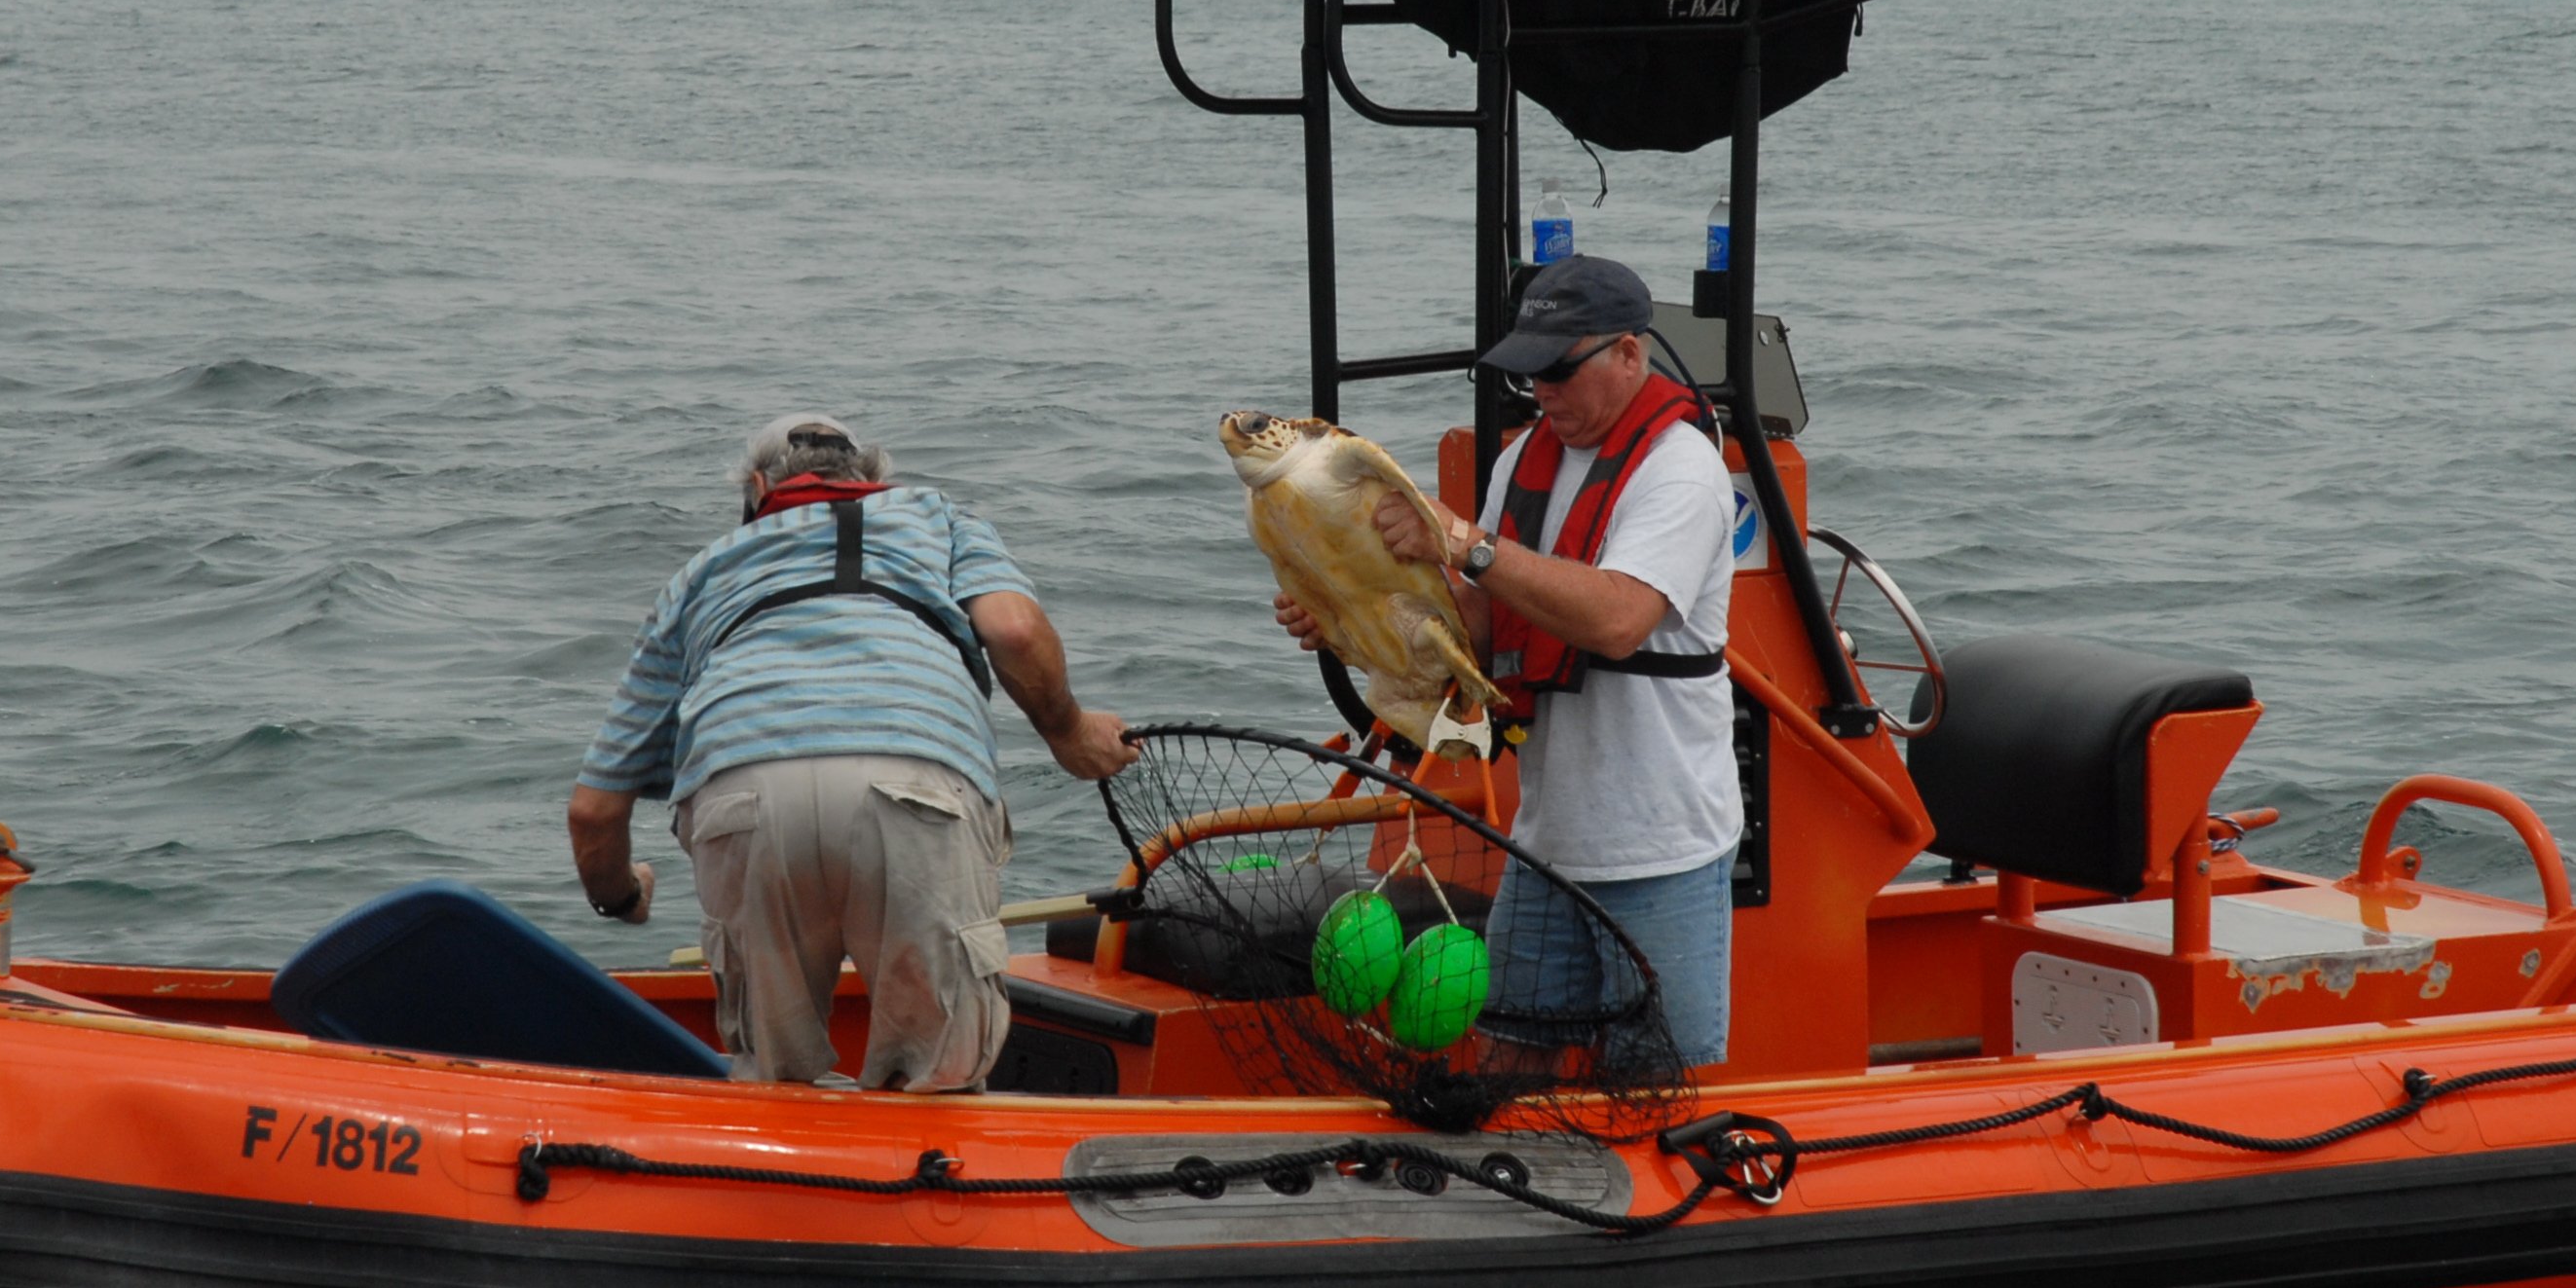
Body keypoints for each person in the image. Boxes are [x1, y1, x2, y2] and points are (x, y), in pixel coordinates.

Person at [572, 412, 1136, 1089]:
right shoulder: (938, 518)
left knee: (772, 1083)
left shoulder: (698, 574)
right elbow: (1014, 630)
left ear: (756, 489)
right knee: (942, 1083)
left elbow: (594, 812)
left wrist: (622, 896)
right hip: (916, 778)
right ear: (874, 479)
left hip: (743, 794)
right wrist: (1070, 732)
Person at [1273, 255, 1739, 1064]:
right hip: (1549, 839)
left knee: (1658, 1072)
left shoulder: (1682, 470)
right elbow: (1479, 632)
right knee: (1509, 1057)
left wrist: (1464, 542)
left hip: (1662, 845)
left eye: (1559, 370)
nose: (1543, 394)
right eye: (1528, 375)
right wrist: (1344, 618)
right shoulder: (1525, 460)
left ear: (1631, 354)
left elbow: (1622, 619)